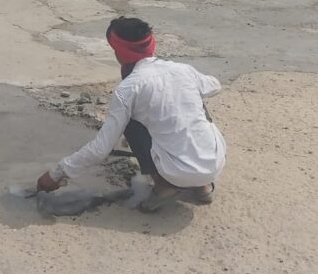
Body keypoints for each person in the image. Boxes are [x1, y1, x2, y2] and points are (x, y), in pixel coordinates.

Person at [36, 17, 226, 212]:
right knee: (195, 103)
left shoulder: (129, 89)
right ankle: (202, 187)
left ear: (119, 52)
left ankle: (164, 187)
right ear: (152, 43)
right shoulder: (182, 70)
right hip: (215, 163)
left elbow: (100, 149)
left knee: (130, 120)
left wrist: (57, 173)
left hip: (176, 173)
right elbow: (215, 86)